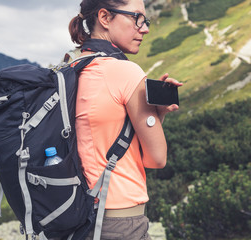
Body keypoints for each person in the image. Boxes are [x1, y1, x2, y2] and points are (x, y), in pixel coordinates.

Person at [69, 0, 182, 239]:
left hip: (77, 215)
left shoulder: (73, 67)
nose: (145, 28)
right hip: (120, 221)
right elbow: (156, 158)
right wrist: (156, 114)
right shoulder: (125, 72)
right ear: (105, 18)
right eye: (136, 18)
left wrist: (155, 113)